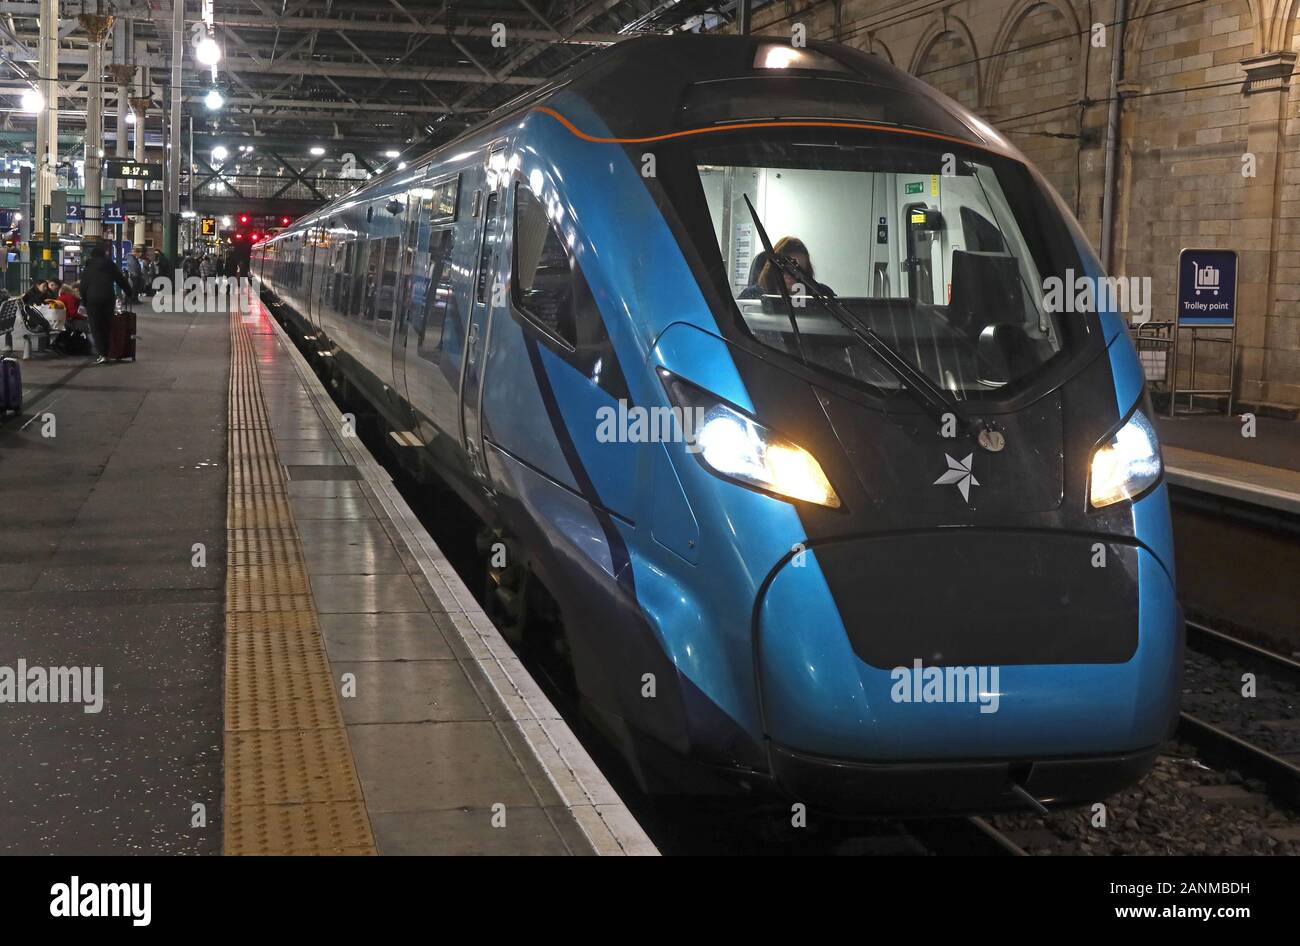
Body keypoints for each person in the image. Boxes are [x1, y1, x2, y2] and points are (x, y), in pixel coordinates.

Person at [81, 243, 135, 365]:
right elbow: (120, 279)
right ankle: (107, 352)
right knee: (107, 325)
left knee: (96, 327)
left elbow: (83, 286)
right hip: (107, 298)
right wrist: (129, 292)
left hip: (92, 300)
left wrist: (84, 301)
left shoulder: (88, 267)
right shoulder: (109, 265)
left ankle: (102, 354)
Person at [739, 237, 828, 300]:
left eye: (798, 269)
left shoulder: (822, 296)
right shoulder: (751, 296)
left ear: (806, 270)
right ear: (772, 268)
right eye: (786, 267)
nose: (791, 274)